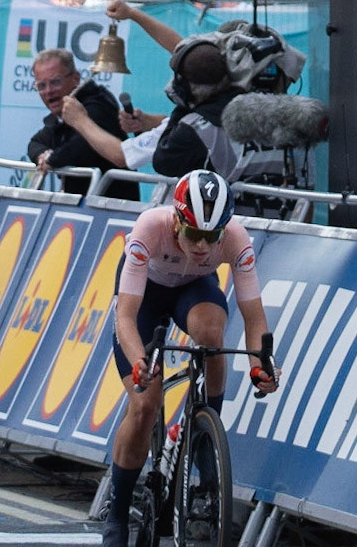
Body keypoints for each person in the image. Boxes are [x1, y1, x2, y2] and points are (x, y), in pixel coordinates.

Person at [99, 170, 277, 547]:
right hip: (145, 296)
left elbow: (254, 316)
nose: (201, 246)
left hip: (192, 290)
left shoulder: (236, 239)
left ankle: (205, 431)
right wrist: (138, 363)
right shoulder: (151, 226)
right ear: (177, 219)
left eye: (211, 237)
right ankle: (116, 515)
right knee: (145, 405)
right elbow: (125, 317)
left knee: (212, 333)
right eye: (194, 233)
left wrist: (262, 364)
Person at [27, 47, 138, 200]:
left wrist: (52, 160)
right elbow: (36, 142)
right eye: (41, 86)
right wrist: (43, 156)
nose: (49, 91)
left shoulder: (97, 105)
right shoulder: (60, 114)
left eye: (55, 82)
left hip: (112, 207)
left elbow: (82, 148)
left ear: (76, 78)